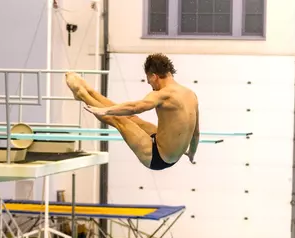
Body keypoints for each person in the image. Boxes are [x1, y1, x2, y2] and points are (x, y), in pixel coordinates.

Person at [66, 53, 200, 170]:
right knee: (132, 119)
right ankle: (90, 92)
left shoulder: (163, 94)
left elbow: (137, 106)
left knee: (119, 119)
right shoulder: (191, 95)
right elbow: (196, 134)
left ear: (154, 76)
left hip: (157, 157)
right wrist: (191, 154)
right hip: (169, 153)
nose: (151, 86)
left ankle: (81, 94)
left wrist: (105, 111)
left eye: (149, 82)